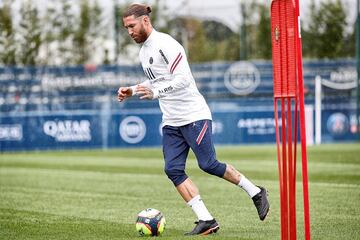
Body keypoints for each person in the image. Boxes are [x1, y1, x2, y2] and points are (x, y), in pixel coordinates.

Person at [118, 3, 270, 236]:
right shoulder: (143, 52)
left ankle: (256, 192)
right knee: (173, 169)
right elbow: (157, 80)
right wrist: (132, 89)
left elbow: (182, 80)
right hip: (171, 121)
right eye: (126, 28)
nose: (129, 31)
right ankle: (206, 219)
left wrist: (156, 93)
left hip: (194, 116)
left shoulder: (166, 44)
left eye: (132, 26)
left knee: (208, 164)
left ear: (145, 21)